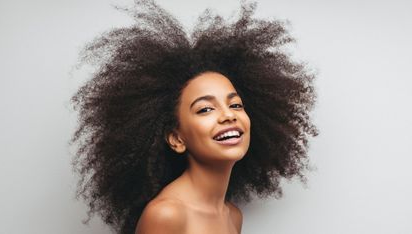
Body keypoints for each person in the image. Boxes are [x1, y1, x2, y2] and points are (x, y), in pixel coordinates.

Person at [69, 0, 318, 233]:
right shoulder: (166, 215)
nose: (228, 116)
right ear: (177, 138)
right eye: (205, 109)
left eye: (236, 105)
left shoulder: (232, 217)